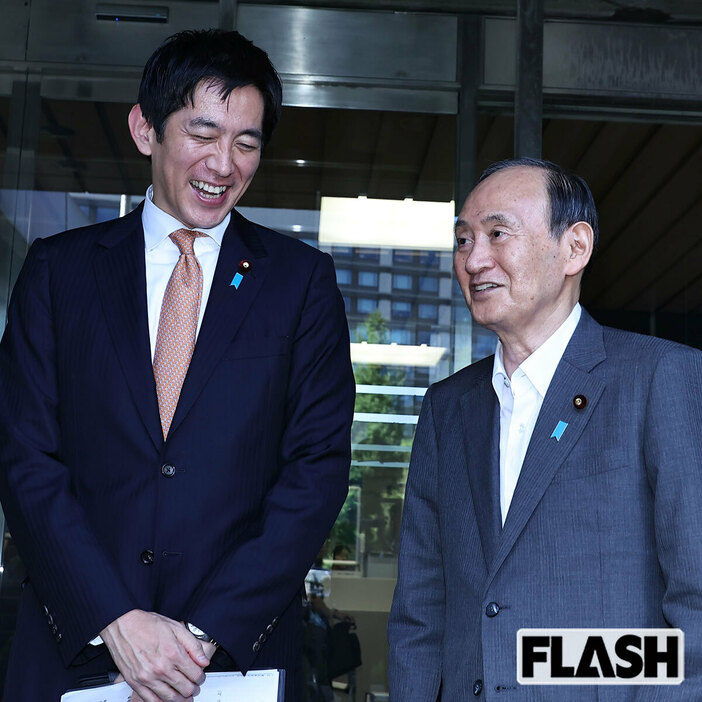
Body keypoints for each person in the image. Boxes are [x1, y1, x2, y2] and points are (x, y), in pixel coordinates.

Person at [0, 29, 354, 702]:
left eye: (246, 142)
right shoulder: (60, 271)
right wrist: (115, 620)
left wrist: (200, 633)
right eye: (203, 133)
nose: (223, 163)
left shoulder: (300, 283)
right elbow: (24, 456)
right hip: (74, 649)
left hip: (230, 662)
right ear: (145, 130)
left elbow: (317, 470)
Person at [387, 157, 702, 700]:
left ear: (574, 248)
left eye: (497, 234)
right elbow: (421, 608)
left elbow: (694, 601)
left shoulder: (660, 378)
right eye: (463, 240)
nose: (474, 259)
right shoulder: (448, 408)